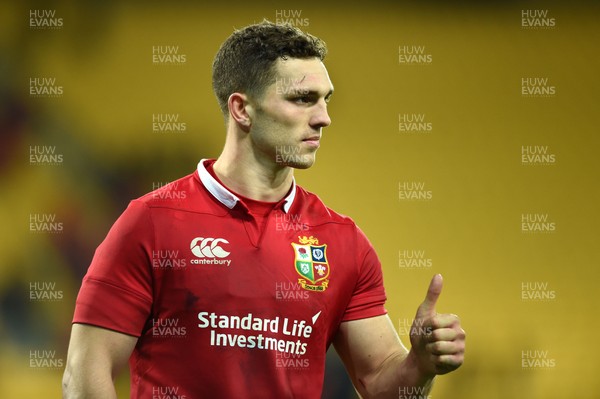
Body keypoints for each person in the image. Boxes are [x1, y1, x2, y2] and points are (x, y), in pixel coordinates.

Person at [62, 20, 465, 398]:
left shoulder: (343, 241)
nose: (323, 118)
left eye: (326, 100)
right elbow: (85, 372)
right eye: (302, 99)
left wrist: (420, 364)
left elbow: (380, 381)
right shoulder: (152, 222)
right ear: (242, 109)